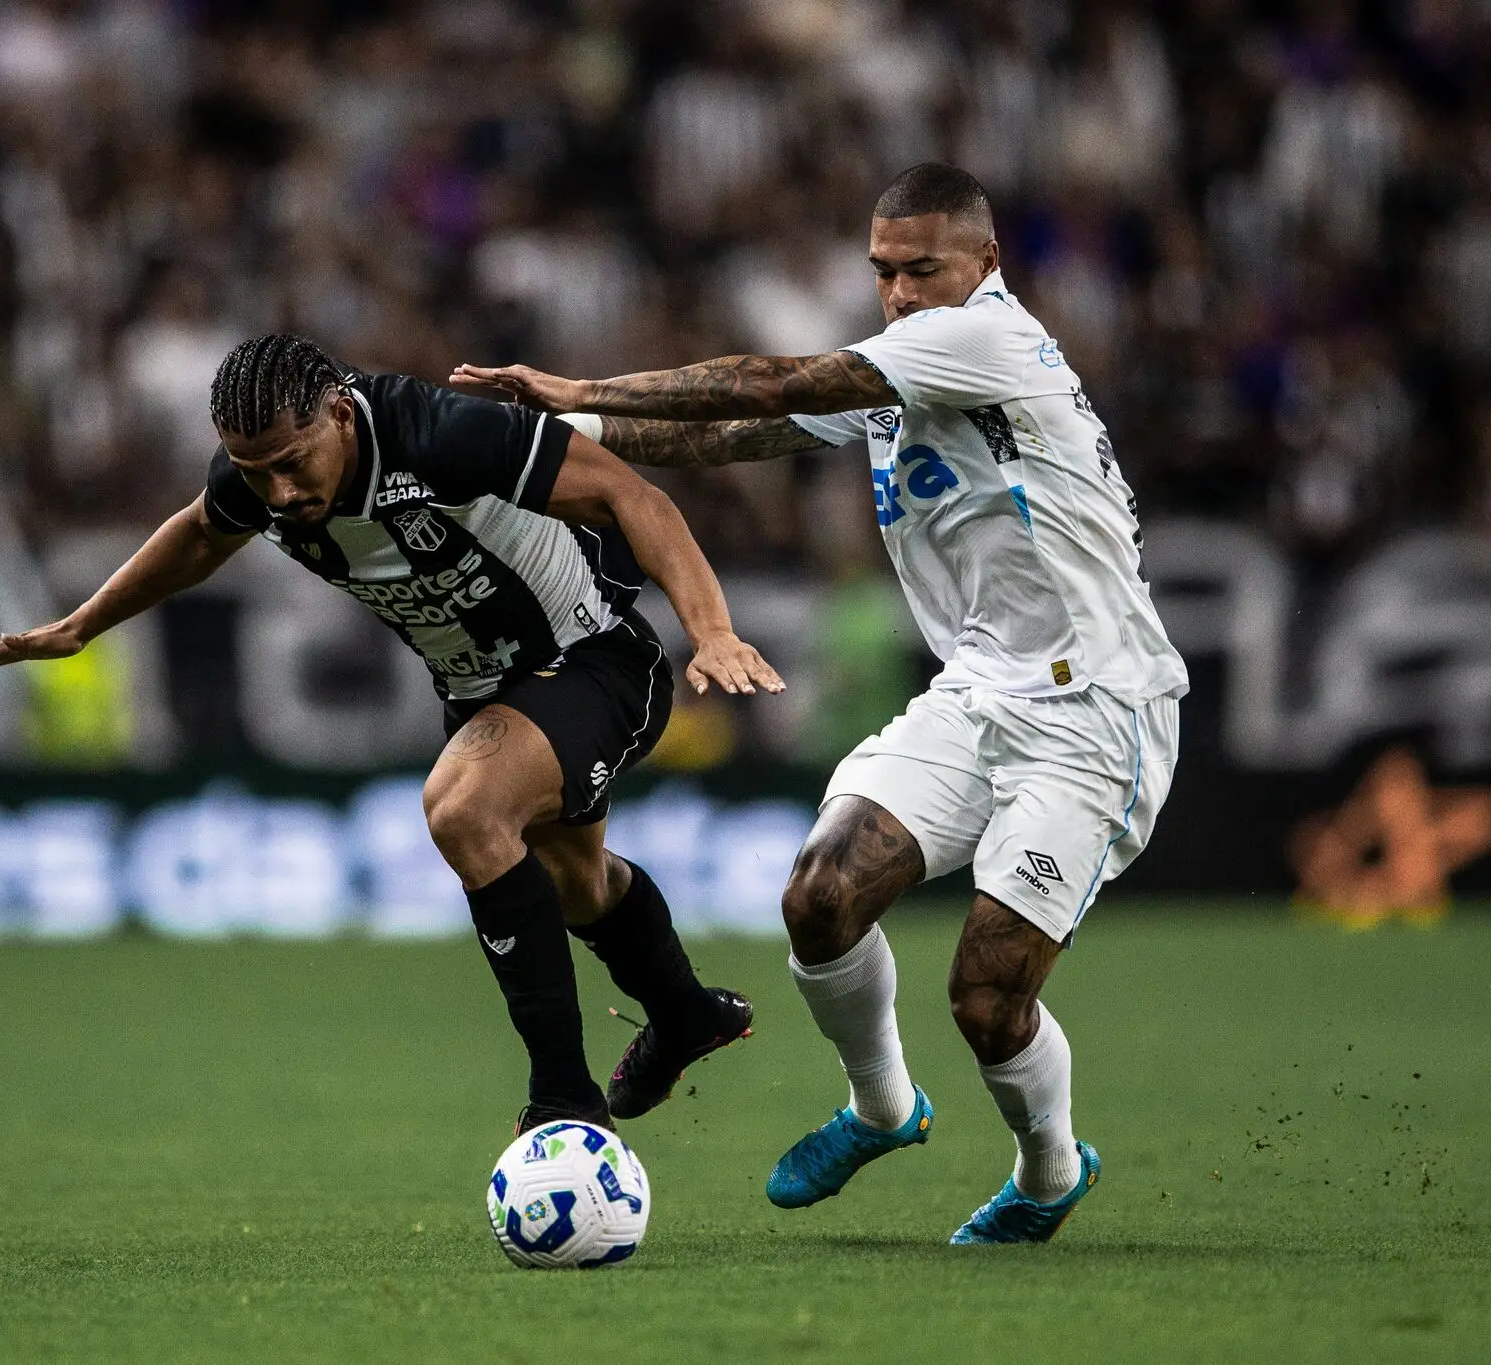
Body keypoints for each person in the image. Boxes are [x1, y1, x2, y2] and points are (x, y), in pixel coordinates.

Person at [452, 163, 1188, 1243]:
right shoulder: (910, 364)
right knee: (820, 896)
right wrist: (565, 444)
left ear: (982, 264)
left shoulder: (982, 338)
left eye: (920, 269)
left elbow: (767, 386)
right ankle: (882, 1110)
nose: (896, 292)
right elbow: (733, 436)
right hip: (976, 692)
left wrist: (583, 391)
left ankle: (1044, 1172)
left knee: (984, 995)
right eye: (882, 271)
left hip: (1094, 712)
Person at [0, 333, 782, 1132]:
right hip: (480, 689)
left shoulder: (440, 434)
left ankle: (564, 1101)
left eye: (290, 463)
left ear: (341, 417)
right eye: (255, 472)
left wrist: (710, 630)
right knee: (577, 883)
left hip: (593, 657)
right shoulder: (260, 475)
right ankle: (686, 1015)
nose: (277, 493)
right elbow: (203, 531)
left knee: (464, 809)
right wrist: (84, 626)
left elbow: (630, 495)